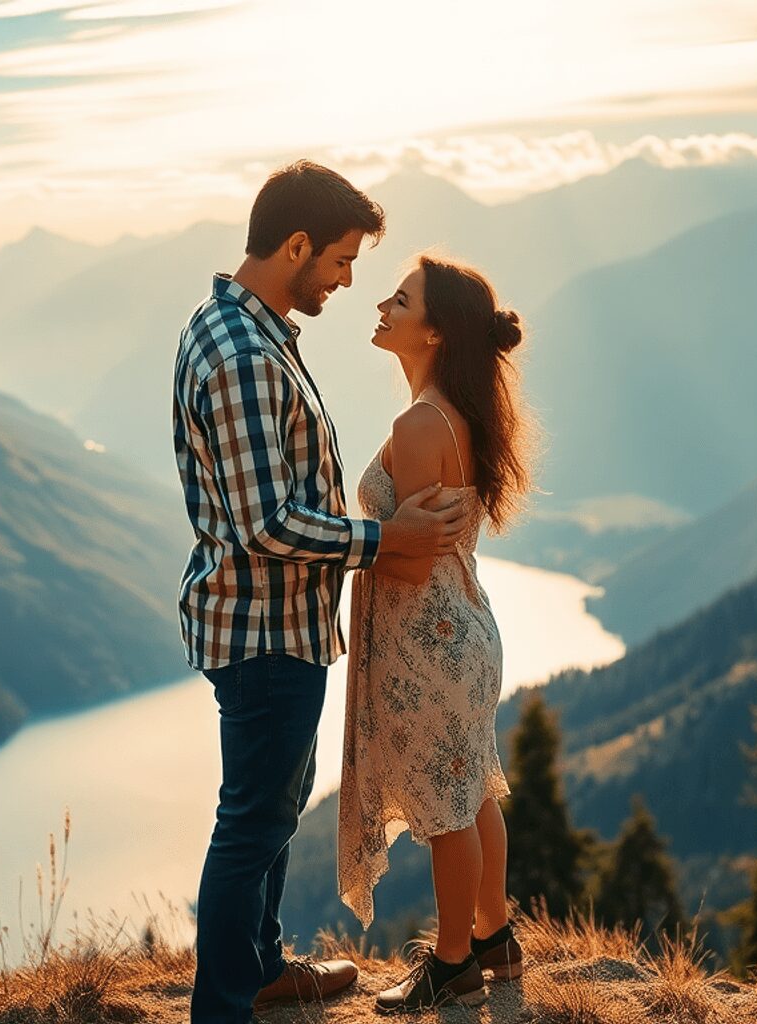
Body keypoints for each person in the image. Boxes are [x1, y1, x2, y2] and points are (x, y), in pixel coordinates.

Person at [172, 162, 472, 1024]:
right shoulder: (242, 355)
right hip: (264, 628)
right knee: (251, 824)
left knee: (270, 810)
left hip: (276, 623)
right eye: (339, 261)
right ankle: (225, 1007)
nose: (347, 280)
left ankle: (260, 969)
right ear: (295, 245)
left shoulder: (243, 330)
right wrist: (387, 539)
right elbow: (268, 522)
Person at [337, 252, 536, 1011]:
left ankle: (451, 965)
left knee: (448, 811)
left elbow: (411, 563)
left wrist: (350, 544)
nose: (382, 306)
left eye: (401, 299)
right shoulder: (460, 412)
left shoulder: (420, 423)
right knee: (473, 790)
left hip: (429, 638)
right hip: (464, 627)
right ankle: (494, 939)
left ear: (436, 331)